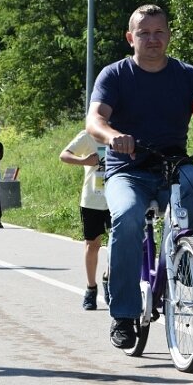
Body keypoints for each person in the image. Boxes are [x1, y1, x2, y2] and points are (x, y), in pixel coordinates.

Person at [85, 4, 193, 349]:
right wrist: (114, 136)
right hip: (126, 169)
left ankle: (181, 260)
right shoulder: (114, 75)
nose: (152, 39)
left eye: (159, 32)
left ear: (169, 36)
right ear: (131, 38)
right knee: (128, 217)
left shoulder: (187, 76)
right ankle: (124, 314)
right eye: (143, 33)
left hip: (172, 167)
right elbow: (94, 121)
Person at [59, 130, 111, 310]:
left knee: (119, 245)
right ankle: (91, 288)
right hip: (92, 199)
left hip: (117, 199)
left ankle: (109, 279)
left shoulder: (122, 132)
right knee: (92, 245)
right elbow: (64, 155)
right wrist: (84, 161)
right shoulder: (88, 135)